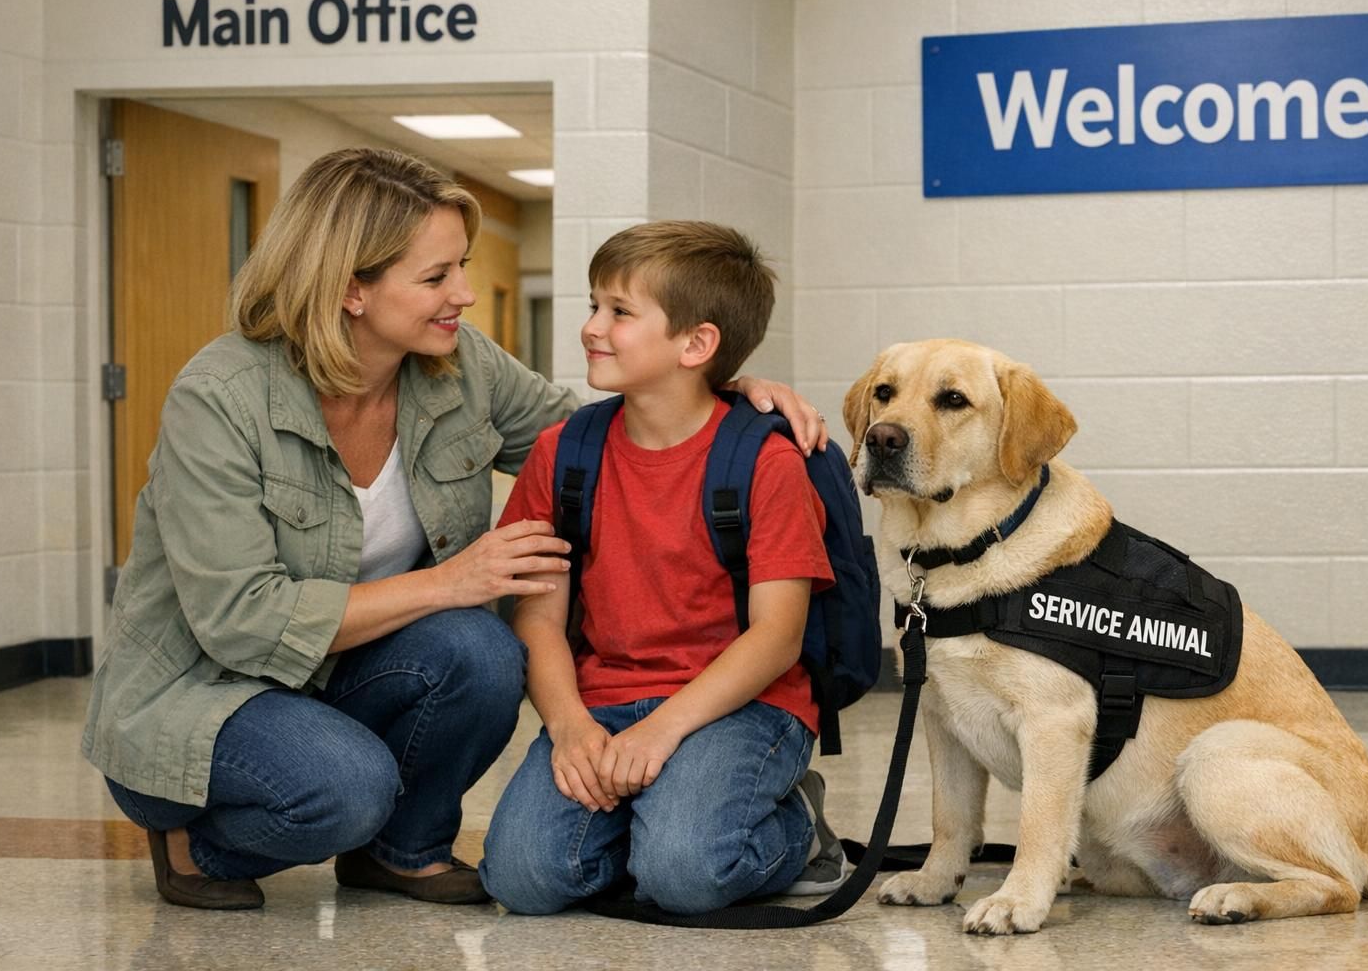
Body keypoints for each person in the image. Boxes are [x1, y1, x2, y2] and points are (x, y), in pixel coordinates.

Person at [81, 149, 827, 911]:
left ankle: (401, 853)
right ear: (351, 291)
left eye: (461, 267)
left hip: (344, 674)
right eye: (437, 277)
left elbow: (612, 435)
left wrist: (723, 388)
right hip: (209, 693)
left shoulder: (458, 365)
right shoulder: (220, 397)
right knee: (349, 787)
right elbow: (242, 623)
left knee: (480, 650)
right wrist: (451, 582)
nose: (465, 295)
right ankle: (194, 846)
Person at [480, 220, 849, 916]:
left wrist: (662, 730)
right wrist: (569, 727)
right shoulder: (563, 454)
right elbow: (537, 617)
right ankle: (652, 821)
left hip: (740, 705)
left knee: (685, 874)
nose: (592, 327)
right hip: (603, 700)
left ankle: (799, 829)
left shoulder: (764, 463)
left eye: (619, 312)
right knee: (524, 879)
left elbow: (777, 637)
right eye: (594, 305)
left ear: (696, 344)